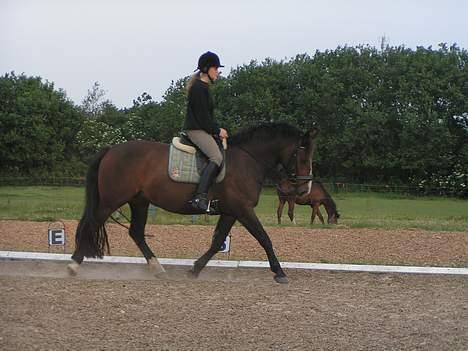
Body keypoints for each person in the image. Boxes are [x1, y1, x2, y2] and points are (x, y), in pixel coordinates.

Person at [184, 51, 229, 212]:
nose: (218, 72)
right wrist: (217, 131)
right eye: (216, 68)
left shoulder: (204, 87)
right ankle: (199, 197)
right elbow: (203, 118)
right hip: (196, 130)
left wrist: (218, 129)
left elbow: (208, 116)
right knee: (216, 157)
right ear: (206, 69)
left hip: (202, 128)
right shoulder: (199, 88)